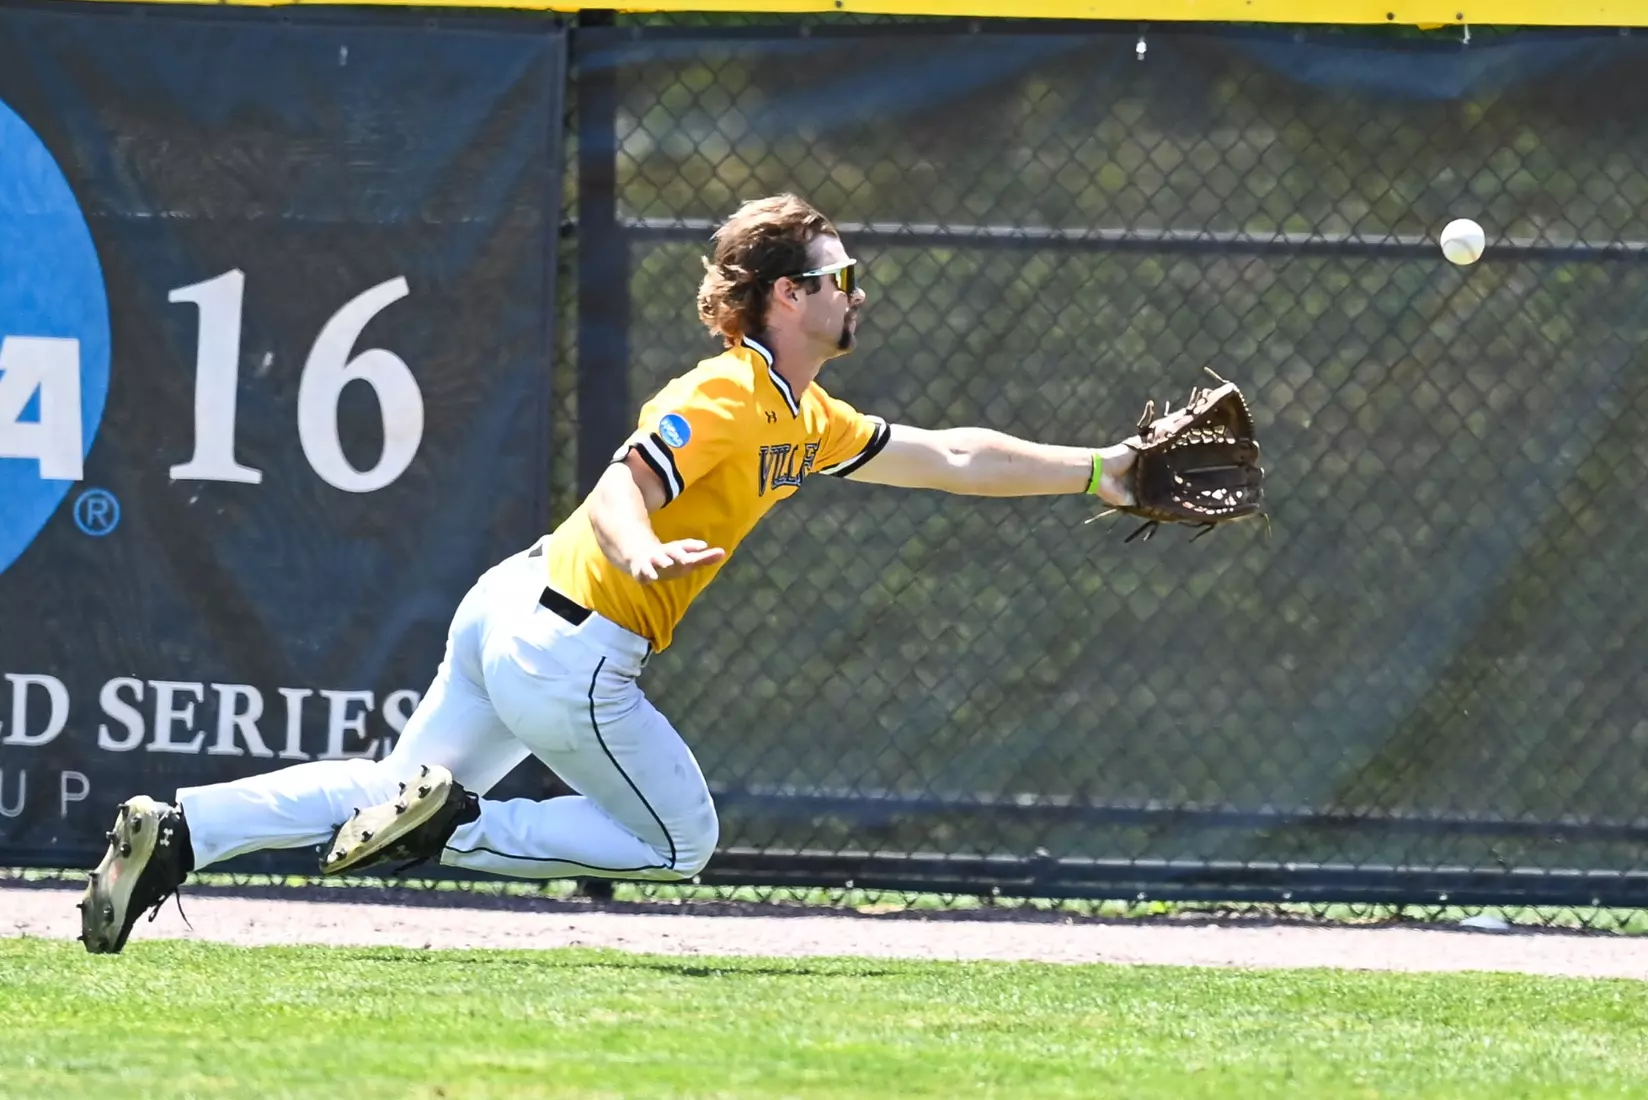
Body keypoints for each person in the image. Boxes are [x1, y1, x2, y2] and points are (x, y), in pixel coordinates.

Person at [79, 193, 1142, 954]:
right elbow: (621, 479)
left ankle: (183, 826)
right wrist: (639, 547)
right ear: (787, 295)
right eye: (841, 277)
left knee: (385, 794)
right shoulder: (728, 392)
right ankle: (456, 827)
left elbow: (952, 455)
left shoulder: (804, 412)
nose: (858, 293)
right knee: (678, 841)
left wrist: (1103, 470)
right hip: (572, 642)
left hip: (513, 608)